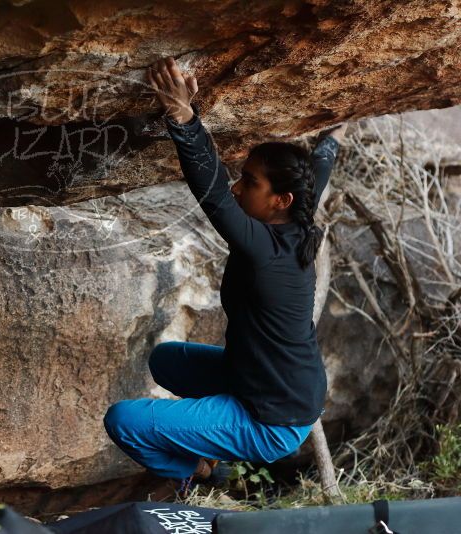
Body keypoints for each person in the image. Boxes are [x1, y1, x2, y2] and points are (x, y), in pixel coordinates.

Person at [103, 56, 348, 494]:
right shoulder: (297, 216)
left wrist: (183, 115)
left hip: (271, 420)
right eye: (241, 177)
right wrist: (334, 135)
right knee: (165, 360)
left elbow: (214, 195)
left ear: (280, 200)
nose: (238, 186)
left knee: (124, 421)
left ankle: (196, 470)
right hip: (259, 381)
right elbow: (318, 171)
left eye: (249, 182)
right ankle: (210, 428)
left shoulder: (264, 249)